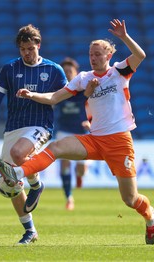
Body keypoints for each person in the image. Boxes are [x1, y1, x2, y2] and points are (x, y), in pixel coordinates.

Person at [0, 19, 154, 245]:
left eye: (98, 54)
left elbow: (140, 56)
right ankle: (18, 173)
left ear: (108, 55)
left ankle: (150, 217)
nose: (93, 57)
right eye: (91, 54)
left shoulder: (120, 71)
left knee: (129, 199)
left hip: (120, 141)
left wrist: (124, 37)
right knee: (57, 147)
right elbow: (54, 97)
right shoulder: (84, 78)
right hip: (95, 139)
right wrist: (32, 95)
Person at [0, 24, 68, 245]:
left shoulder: (54, 70)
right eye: (23, 49)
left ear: (38, 45)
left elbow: (66, 96)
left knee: (18, 153)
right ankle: (30, 230)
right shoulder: (9, 69)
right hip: (14, 128)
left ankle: (36, 184)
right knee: (10, 182)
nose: (27, 53)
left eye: (31, 48)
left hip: (40, 126)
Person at [55, 57, 90, 210]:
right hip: (64, 130)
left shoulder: (83, 90)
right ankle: (69, 197)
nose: (68, 74)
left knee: (82, 169)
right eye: (65, 71)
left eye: (70, 71)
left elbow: (95, 105)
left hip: (82, 132)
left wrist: (91, 121)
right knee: (64, 164)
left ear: (76, 73)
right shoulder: (59, 90)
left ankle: (79, 176)